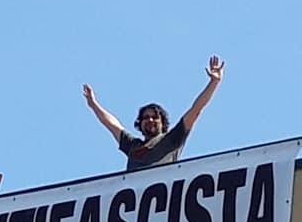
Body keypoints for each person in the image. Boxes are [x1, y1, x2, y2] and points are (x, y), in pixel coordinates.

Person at [83, 54, 225, 171]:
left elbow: (196, 110)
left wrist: (214, 82)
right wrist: (94, 105)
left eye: (154, 117)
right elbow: (112, 124)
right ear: (140, 123)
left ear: (162, 123)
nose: (150, 120)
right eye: (145, 118)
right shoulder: (133, 145)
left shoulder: (172, 139)